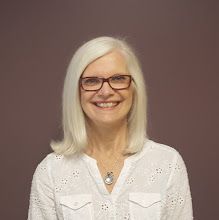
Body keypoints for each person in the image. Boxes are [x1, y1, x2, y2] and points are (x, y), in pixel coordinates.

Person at [28, 36, 193, 220]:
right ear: (76, 91)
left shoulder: (167, 164)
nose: (106, 92)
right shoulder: (51, 172)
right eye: (91, 81)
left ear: (134, 89)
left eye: (118, 78)